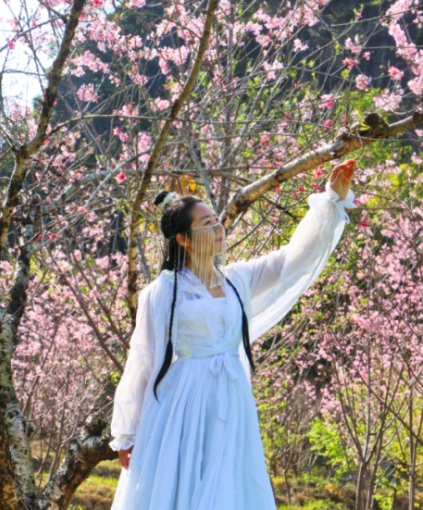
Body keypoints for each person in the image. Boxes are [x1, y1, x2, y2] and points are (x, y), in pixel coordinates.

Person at [108, 159, 358, 509]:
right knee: (182, 487)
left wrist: (330, 198)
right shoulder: (163, 291)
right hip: (183, 402)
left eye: (217, 220)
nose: (219, 228)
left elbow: (291, 259)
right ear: (183, 239)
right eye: (207, 223)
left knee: (229, 485)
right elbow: (143, 358)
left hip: (231, 397)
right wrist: (128, 432)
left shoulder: (237, 280)